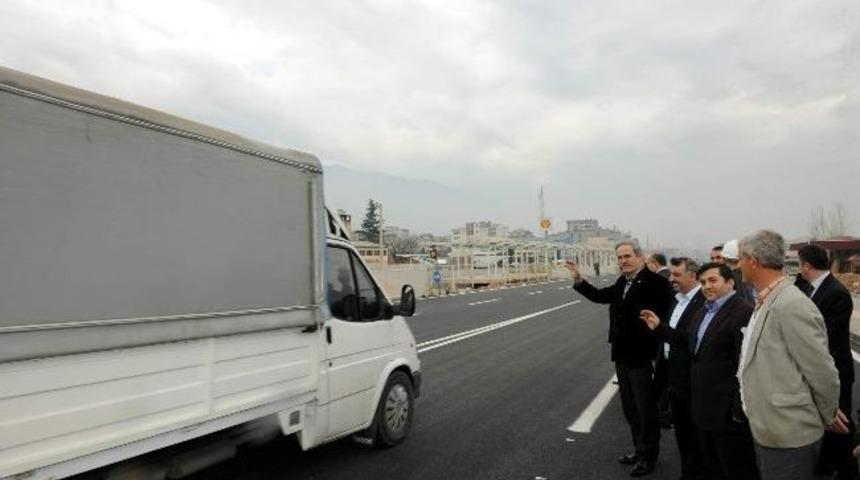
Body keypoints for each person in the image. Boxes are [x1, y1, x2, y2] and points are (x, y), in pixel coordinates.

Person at [737, 230, 846, 480]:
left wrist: (828, 413)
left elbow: (821, 370)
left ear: (753, 260)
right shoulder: (768, 298)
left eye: (741, 258)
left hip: (789, 434)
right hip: (770, 428)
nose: (738, 265)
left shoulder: (791, 304)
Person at [566, 242, 674, 477]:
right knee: (631, 408)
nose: (623, 260)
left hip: (644, 356)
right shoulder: (623, 282)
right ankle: (639, 450)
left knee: (646, 410)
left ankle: (648, 457)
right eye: (620, 257)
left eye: (627, 256)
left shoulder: (658, 283)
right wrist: (578, 278)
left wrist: (658, 353)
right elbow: (600, 296)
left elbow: (666, 319)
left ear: (640, 257)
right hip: (623, 355)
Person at [639, 257, 706, 480]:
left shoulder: (703, 301)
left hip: (688, 377)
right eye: (672, 274)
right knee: (682, 432)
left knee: (692, 433)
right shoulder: (678, 300)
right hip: (669, 371)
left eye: (677, 275)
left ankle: (694, 472)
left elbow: (690, 338)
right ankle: (688, 471)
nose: (672, 279)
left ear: (692, 276)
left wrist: (660, 328)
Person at [796, 244, 857, 479]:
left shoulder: (836, 293)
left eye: (800, 264)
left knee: (840, 422)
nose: (798, 270)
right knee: (825, 422)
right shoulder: (806, 287)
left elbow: (824, 336)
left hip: (836, 371)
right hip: (816, 368)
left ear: (807, 266)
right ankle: (826, 465)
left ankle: (848, 469)